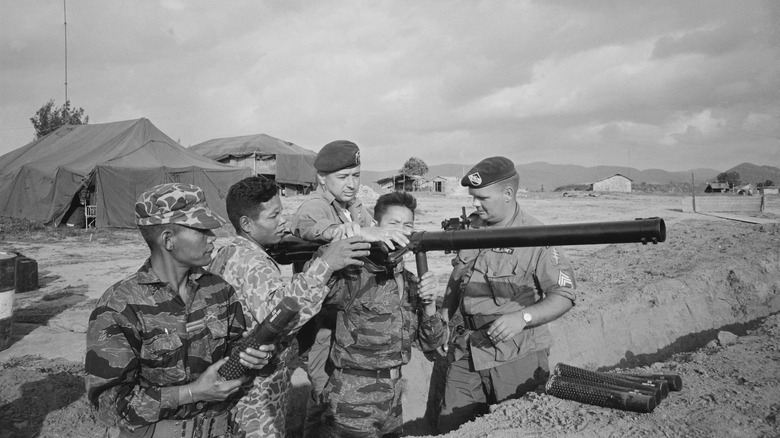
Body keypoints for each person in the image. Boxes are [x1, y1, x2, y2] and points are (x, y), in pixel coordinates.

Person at [85, 183, 275, 438]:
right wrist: (191, 393)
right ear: (168, 240)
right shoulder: (119, 307)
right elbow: (109, 407)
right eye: (201, 230)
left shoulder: (219, 291)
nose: (213, 237)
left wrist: (251, 359)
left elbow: (232, 360)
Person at [208, 175, 371, 437]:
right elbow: (280, 318)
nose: (282, 220)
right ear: (247, 223)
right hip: (255, 396)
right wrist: (325, 265)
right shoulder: (251, 263)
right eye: (274, 216)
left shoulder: (231, 252)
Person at [435, 157, 578, 433]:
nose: (475, 204)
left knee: (516, 428)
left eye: (482, 198)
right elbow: (458, 277)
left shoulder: (537, 237)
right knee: (452, 428)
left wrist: (522, 317)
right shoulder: (472, 229)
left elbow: (564, 293)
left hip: (516, 356)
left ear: (508, 194)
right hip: (468, 350)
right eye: (473, 198)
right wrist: (444, 315)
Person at [289, 140, 409, 437]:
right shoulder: (317, 206)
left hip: (351, 322)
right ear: (321, 178)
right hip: (325, 326)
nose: (352, 184)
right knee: (324, 401)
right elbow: (305, 225)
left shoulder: (353, 207)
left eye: (356, 175)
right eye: (343, 177)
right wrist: (342, 231)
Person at [317, 191, 446, 437]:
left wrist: (429, 306)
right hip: (352, 398)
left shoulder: (409, 282)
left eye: (408, 225)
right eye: (393, 224)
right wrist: (351, 236)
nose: (400, 232)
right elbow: (315, 278)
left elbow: (432, 346)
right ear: (376, 227)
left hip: (393, 397)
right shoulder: (354, 273)